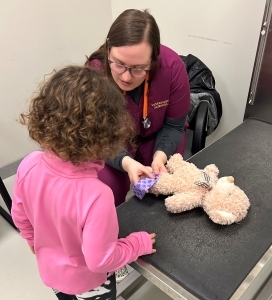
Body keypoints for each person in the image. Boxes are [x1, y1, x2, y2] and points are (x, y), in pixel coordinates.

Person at [11, 66, 156, 300]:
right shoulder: (97, 194)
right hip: (89, 283)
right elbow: (101, 260)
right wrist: (136, 244)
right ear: (109, 133)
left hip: (51, 273)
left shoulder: (29, 164)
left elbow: (20, 215)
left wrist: (32, 239)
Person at [86, 8, 190, 282]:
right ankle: (112, 246)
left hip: (156, 137)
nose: (126, 77)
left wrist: (161, 154)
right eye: (118, 64)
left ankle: (162, 242)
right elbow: (100, 135)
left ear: (153, 60)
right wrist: (125, 161)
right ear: (108, 51)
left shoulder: (172, 67)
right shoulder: (95, 73)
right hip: (113, 141)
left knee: (163, 182)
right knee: (106, 185)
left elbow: (175, 125)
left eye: (138, 68)